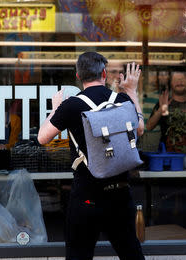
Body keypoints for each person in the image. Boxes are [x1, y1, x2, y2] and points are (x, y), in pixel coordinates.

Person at [38, 52, 145, 260]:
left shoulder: (71, 105)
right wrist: (131, 91)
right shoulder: (121, 99)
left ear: (78, 75)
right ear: (104, 73)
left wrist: (55, 109)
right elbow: (139, 128)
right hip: (120, 194)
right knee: (131, 253)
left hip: (86, 196)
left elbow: (43, 138)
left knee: (79, 255)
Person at [146, 71, 186, 153]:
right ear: (170, 84)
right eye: (175, 80)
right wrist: (161, 109)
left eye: (182, 79)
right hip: (169, 157)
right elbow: (149, 126)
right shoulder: (163, 104)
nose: (179, 82)